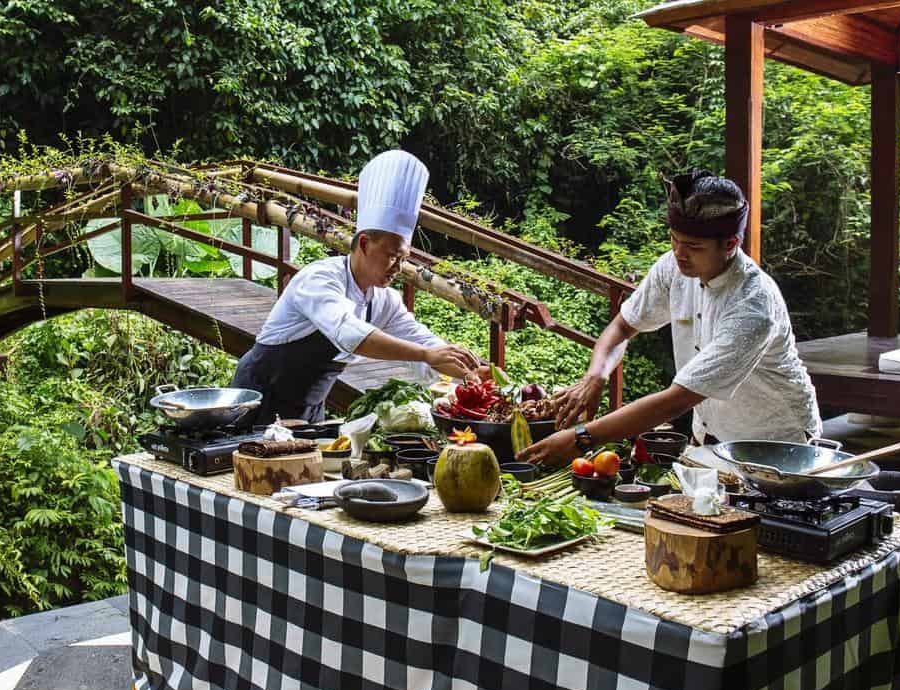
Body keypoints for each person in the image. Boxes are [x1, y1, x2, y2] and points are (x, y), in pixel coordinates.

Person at [520, 169, 822, 466]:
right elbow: (624, 326)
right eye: (674, 240)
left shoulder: (752, 306)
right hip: (712, 437)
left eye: (693, 247)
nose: (679, 254)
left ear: (730, 245)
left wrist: (581, 438)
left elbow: (676, 401)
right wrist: (596, 375)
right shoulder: (674, 267)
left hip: (779, 445)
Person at [231, 150, 479, 426]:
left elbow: (427, 345)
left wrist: (469, 369)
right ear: (363, 244)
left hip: (307, 411)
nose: (398, 266)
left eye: (404, 258)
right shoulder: (320, 278)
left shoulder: (385, 301)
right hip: (259, 398)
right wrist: (425, 354)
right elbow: (352, 334)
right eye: (392, 255)